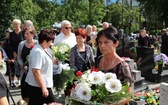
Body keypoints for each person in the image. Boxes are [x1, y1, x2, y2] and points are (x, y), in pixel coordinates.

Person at [95, 27, 134, 105]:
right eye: (100, 42)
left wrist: (111, 104)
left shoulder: (123, 66)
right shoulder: (99, 60)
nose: (102, 46)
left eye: (106, 42)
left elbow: (129, 96)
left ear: (116, 43)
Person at [25, 29, 55, 105]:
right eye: (50, 41)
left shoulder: (44, 49)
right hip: (38, 85)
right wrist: (43, 88)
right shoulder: (38, 51)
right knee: (52, 103)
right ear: (44, 41)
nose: (51, 43)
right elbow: (36, 71)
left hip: (41, 84)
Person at [17, 26, 38, 103]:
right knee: (25, 95)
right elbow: (19, 58)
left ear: (32, 34)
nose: (25, 35)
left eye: (27, 33)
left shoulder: (37, 44)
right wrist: (23, 66)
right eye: (24, 33)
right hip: (25, 73)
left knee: (34, 95)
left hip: (34, 73)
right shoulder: (21, 44)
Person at [9, 19, 23, 87]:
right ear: (13, 25)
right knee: (15, 67)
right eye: (15, 24)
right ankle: (17, 81)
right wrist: (14, 52)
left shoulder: (23, 32)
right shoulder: (11, 34)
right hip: (14, 53)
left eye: (18, 24)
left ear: (20, 25)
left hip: (22, 52)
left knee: (22, 66)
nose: (17, 25)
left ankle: (22, 81)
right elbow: (10, 44)